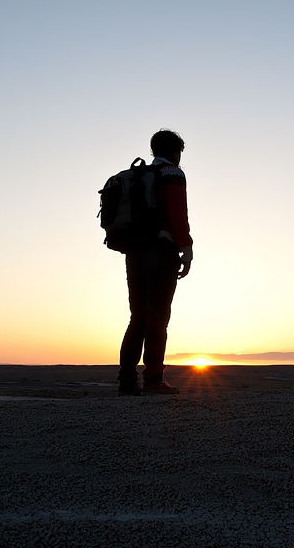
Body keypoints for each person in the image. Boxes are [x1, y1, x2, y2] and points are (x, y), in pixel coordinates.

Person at [118, 129, 193, 396]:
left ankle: (127, 381)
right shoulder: (172, 173)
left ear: (153, 151)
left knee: (138, 316)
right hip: (162, 250)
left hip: (134, 252)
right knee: (158, 317)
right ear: (176, 151)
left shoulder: (141, 176)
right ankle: (153, 380)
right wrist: (186, 248)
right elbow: (177, 214)